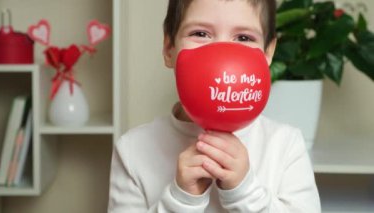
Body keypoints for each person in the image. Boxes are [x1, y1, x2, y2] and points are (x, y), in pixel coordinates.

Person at [108, 0, 321, 212]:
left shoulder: (285, 145)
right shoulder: (132, 150)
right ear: (168, 48)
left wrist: (245, 192)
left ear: (267, 53)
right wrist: (180, 200)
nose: (221, 53)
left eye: (243, 38)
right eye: (200, 34)